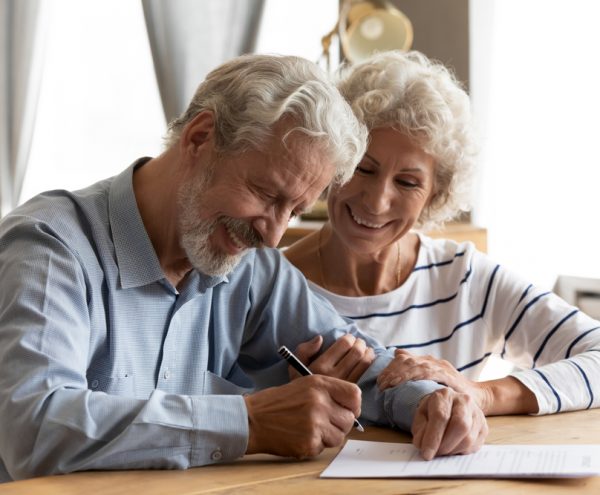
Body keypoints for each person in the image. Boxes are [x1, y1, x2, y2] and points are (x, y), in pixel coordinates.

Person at [0, 54, 487, 482]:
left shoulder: (249, 265)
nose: (274, 236)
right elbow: (34, 429)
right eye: (267, 195)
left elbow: (359, 363)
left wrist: (430, 403)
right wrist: (249, 422)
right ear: (200, 137)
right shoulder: (49, 247)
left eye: (294, 211)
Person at [285, 50, 600, 419]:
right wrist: (284, 396)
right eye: (363, 169)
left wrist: (479, 395)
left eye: (407, 182)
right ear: (333, 160)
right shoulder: (265, 285)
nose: (377, 200)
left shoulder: (464, 278)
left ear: (436, 193)